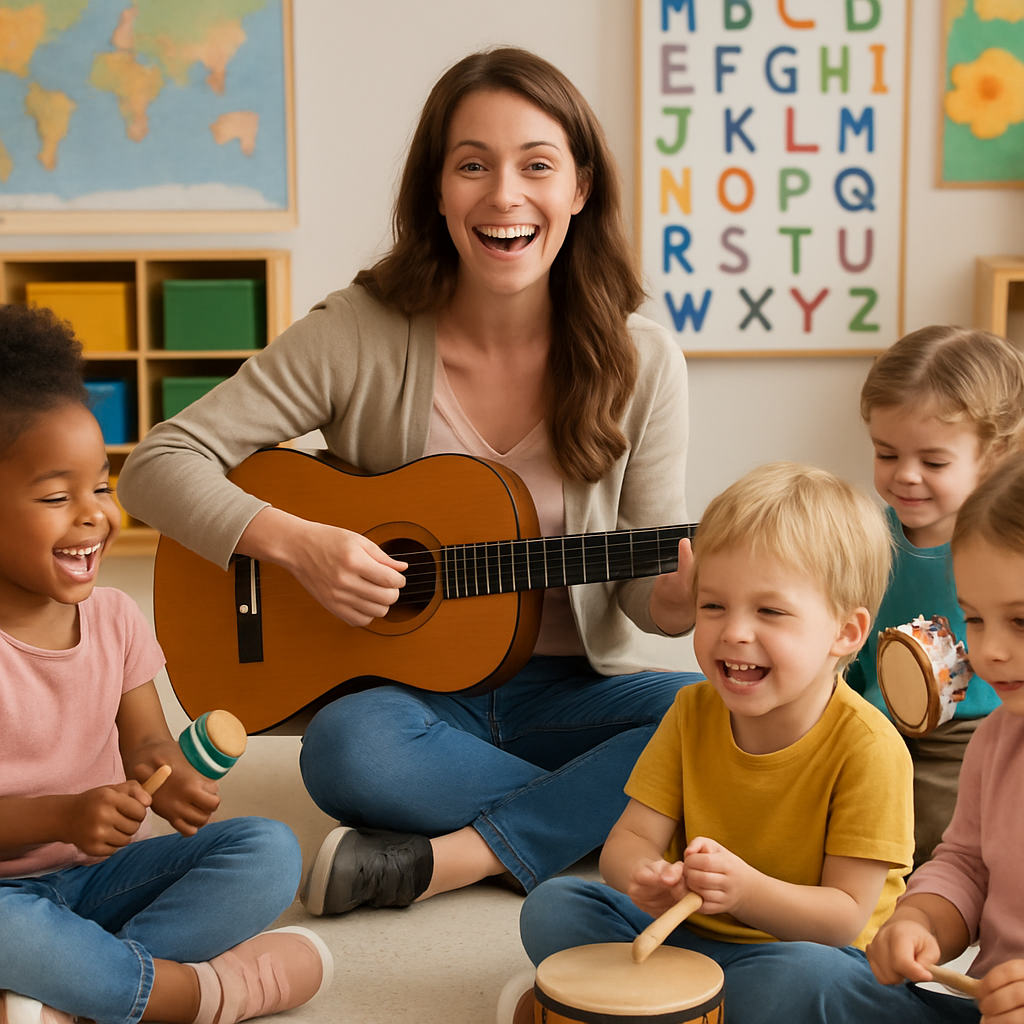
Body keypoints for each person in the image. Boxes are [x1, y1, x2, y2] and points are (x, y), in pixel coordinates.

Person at [118, 46, 702, 915]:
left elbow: (639, 583)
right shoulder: (360, 331)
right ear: (437, 189)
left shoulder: (641, 357)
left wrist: (683, 597)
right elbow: (154, 467)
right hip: (409, 706)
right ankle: (600, 818)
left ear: (580, 187)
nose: (505, 196)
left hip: (574, 690)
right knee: (347, 751)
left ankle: (452, 858)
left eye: (536, 165)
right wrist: (301, 544)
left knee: (713, 719)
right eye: (473, 166)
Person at [0, 304, 332, 1024]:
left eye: (101, 485)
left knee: (269, 850)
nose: (94, 514)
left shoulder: (115, 617)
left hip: (104, 878)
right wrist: (64, 813)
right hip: (5, 899)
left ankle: (75, 995)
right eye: (57, 496)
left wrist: (172, 777)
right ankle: (200, 995)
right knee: (10, 930)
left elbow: (146, 742)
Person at [513, 462, 916, 1024]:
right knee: (553, 907)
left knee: (807, 982)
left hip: (805, 953)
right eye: (713, 606)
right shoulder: (691, 711)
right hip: (686, 937)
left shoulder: (870, 746)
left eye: (769, 611)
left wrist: (746, 892)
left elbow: (843, 917)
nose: (734, 632)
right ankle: (681, 1002)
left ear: (845, 632)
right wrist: (645, 878)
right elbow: (627, 843)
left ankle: (645, 1002)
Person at [848, 325, 1024, 867]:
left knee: (937, 828)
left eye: (934, 462)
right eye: (886, 453)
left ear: (992, 456)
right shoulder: (866, 536)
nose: (906, 476)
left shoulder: (996, 548)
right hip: (874, 721)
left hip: (968, 730)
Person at [866, 451, 1024, 1023]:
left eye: (1021, 621)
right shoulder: (999, 739)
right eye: (974, 619)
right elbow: (965, 865)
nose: (990, 651)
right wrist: (921, 920)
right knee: (806, 977)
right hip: (979, 1007)